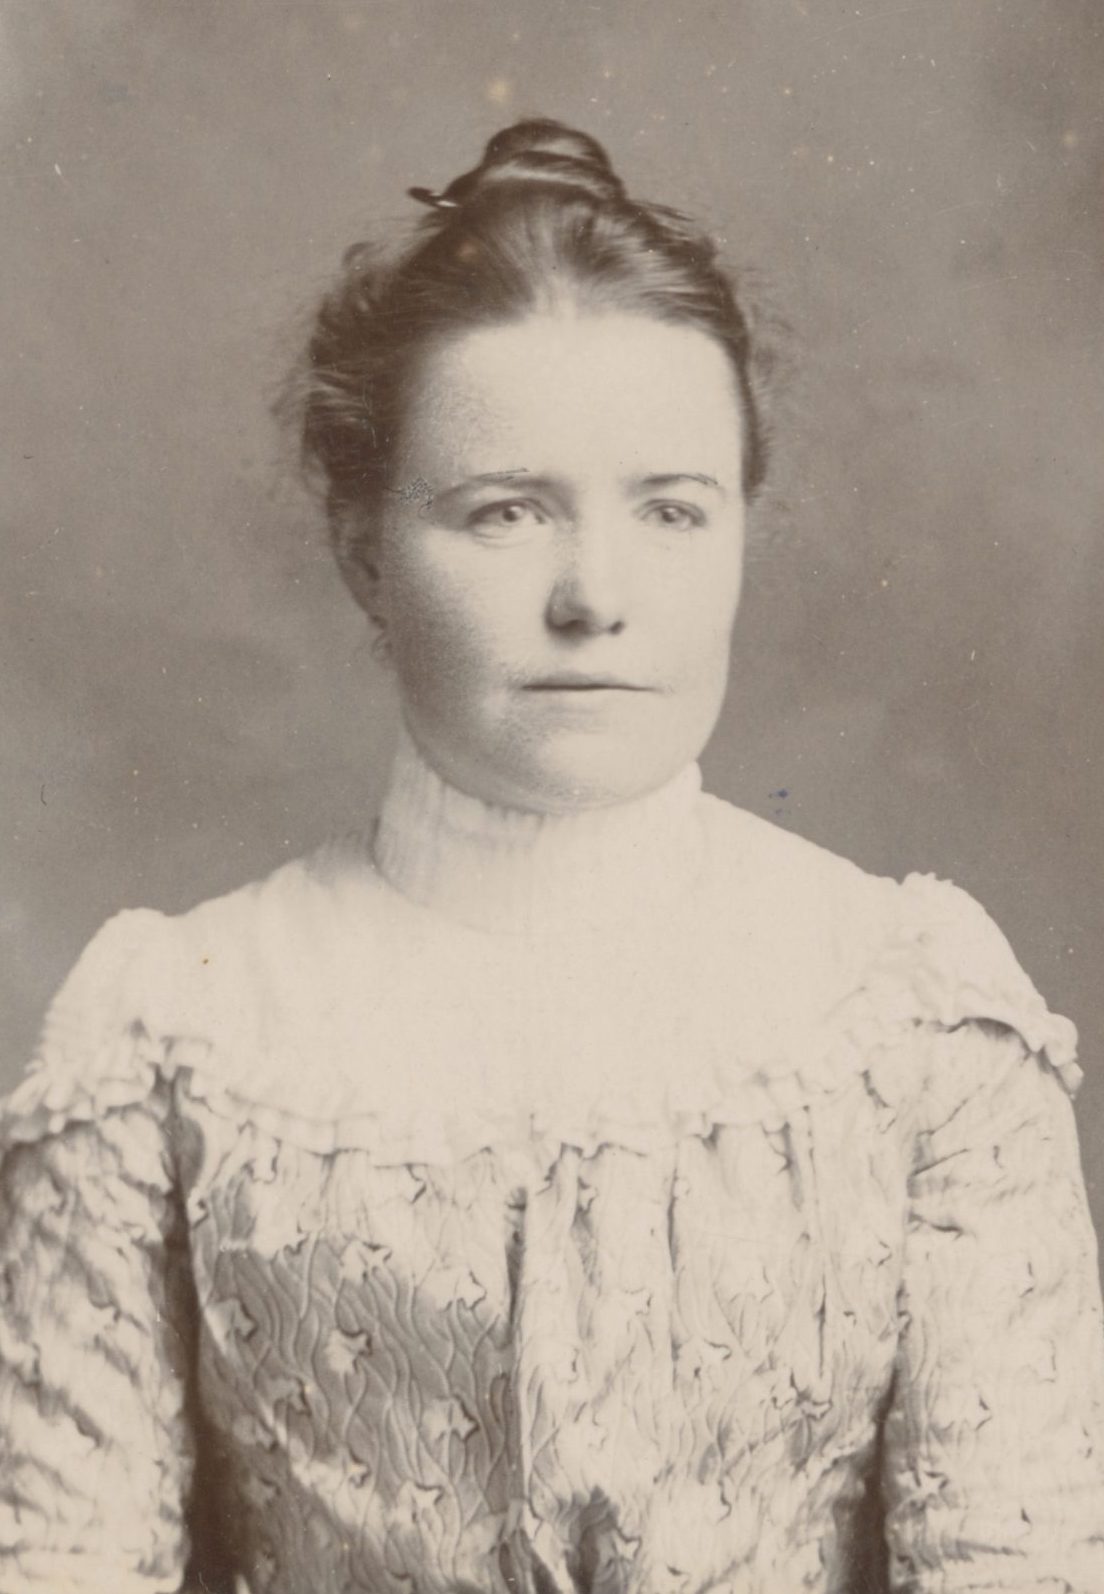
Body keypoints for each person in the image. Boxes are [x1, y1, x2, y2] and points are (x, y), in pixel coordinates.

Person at [1, 118, 1102, 1594]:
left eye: (669, 510)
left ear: (738, 533)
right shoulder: (176, 1028)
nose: (598, 595)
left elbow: (1018, 1560)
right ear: (362, 543)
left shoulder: (911, 1013)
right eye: (506, 511)